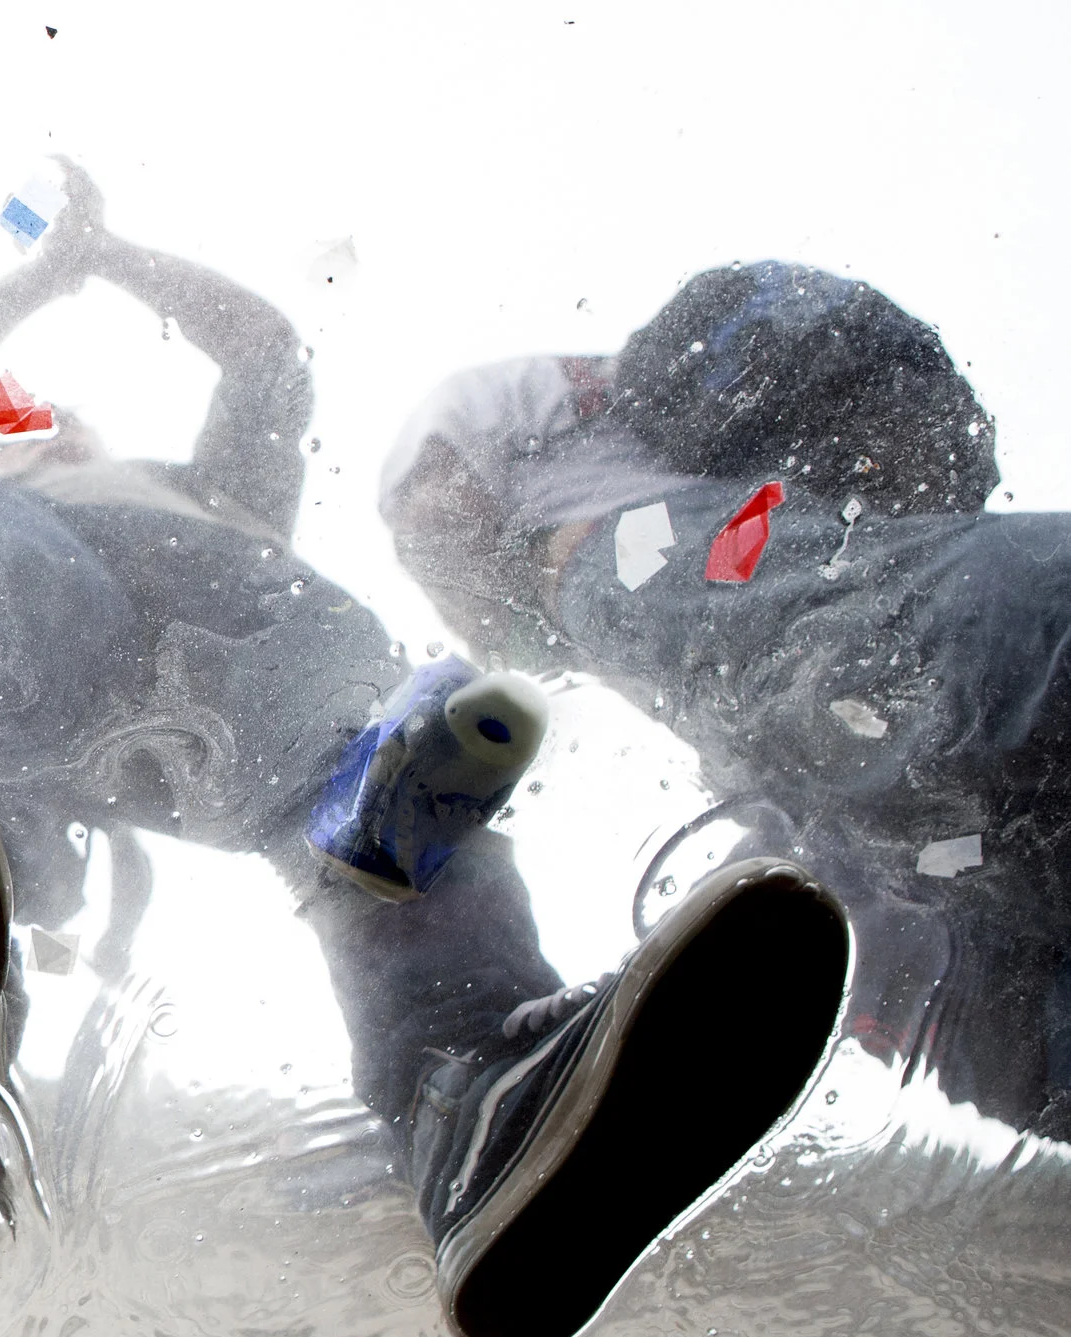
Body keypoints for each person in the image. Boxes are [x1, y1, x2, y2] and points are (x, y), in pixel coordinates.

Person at [0, 171, 835, 1337]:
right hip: (8, 694)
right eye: (23, 437)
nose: (47, 432)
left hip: (264, 712)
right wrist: (37, 279)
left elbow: (265, 357)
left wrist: (109, 254)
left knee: (403, 777)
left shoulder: (208, 492)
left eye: (70, 428)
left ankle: (478, 1102)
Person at [381, 260, 1071, 1145]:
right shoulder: (730, 536)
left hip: (643, 554)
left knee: (889, 662)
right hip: (809, 619)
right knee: (977, 1002)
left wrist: (479, 660)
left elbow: (435, 508)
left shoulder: (570, 510)